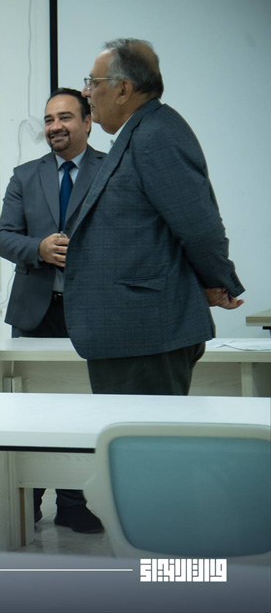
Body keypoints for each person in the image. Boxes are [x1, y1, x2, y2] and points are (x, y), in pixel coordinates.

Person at [66, 38, 244, 395]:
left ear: (123, 89)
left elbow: (199, 226)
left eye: (92, 82)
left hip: (146, 335)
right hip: (131, 334)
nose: (86, 92)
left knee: (146, 433)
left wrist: (219, 281)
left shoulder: (156, 136)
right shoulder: (141, 133)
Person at [0, 88, 105, 533]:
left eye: (65, 117)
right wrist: (38, 248)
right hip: (36, 313)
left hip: (92, 311)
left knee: (80, 412)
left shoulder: (110, 170)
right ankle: (31, 500)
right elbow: (4, 237)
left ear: (88, 121)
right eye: (48, 119)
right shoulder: (24, 176)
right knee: (31, 415)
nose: (55, 126)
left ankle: (73, 504)